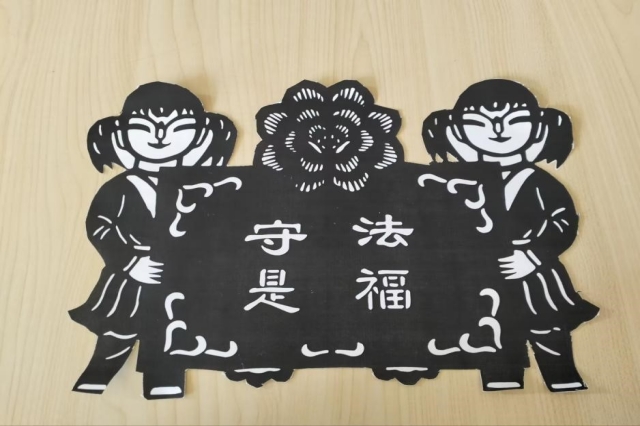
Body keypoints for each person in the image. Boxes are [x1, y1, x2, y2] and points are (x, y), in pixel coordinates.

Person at [422, 79, 599, 391]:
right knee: (493, 330)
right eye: (479, 124)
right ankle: (502, 379)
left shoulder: (539, 181)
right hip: (482, 278)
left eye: (515, 122)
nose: (498, 131)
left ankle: (562, 378)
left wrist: (533, 257)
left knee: (547, 328)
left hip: (533, 275)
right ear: (458, 131)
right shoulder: (460, 184)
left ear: (537, 128)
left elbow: (563, 223)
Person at [69, 82, 236, 394]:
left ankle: (164, 383)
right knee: (119, 333)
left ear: (200, 135)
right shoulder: (121, 187)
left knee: (173, 330)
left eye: (178, 128)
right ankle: (95, 378)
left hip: (180, 278)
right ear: (121, 134)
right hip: (133, 278)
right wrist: (131, 262)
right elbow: (100, 227)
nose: (160, 136)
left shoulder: (198, 187)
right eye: (144, 128)